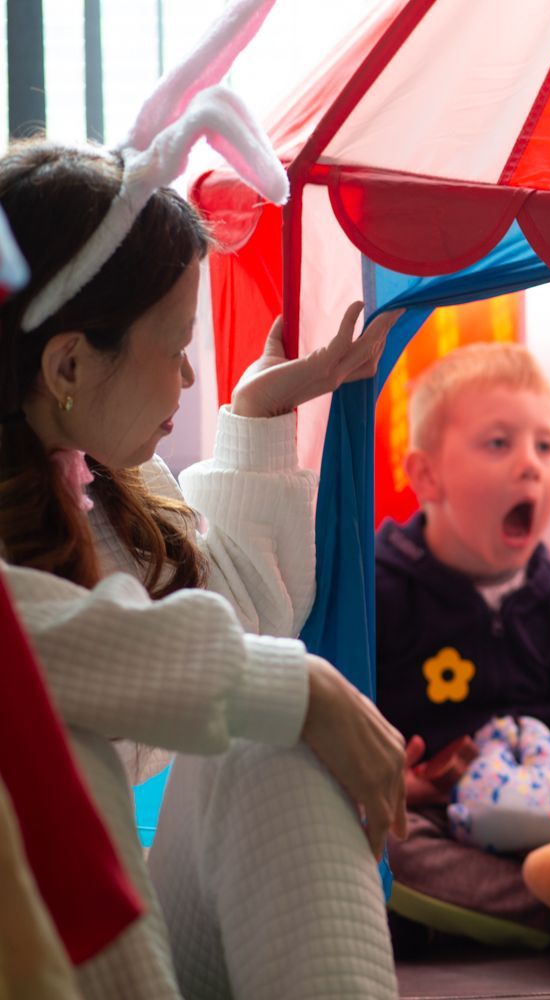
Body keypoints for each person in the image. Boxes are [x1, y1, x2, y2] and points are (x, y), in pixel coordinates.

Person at [0, 139, 408, 998]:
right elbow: (32, 637)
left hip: (130, 936)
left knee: (268, 732)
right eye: (175, 346)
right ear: (69, 365)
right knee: (68, 730)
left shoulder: (107, 487)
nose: (189, 375)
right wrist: (299, 685)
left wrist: (258, 415)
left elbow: (237, 633)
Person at [375, 342, 550, 940]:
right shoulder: (380, 588)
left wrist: (549, 787)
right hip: (435, 815)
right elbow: (349, 721)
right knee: (381, 840)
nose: (530, 463)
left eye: (546, 445)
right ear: (428, 476)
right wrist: (399, 781)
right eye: (499, 442)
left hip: (548, 816)